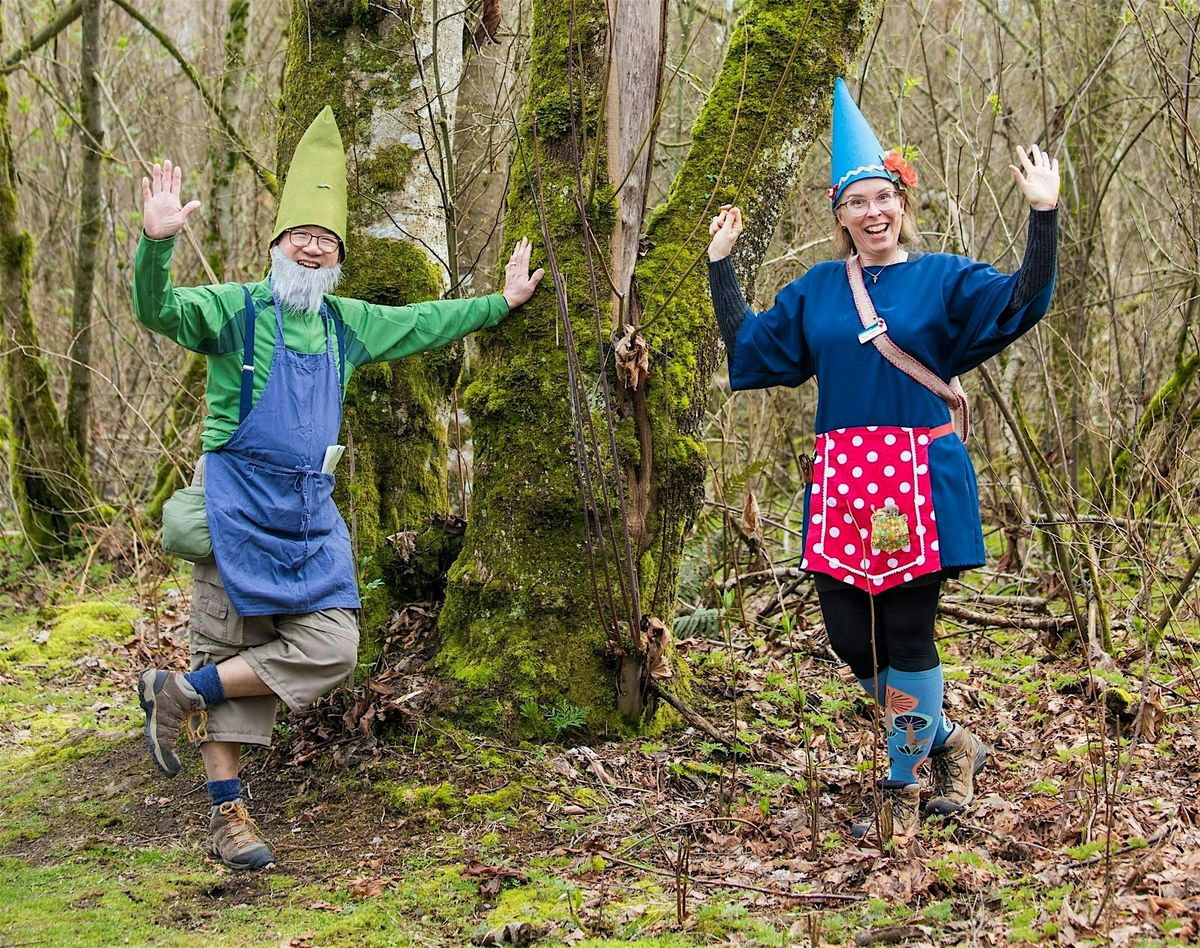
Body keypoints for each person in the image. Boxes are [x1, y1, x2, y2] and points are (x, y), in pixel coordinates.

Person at [133, 107, 543, 869]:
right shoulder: (232, 310)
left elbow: (423, 322)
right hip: (234, 504)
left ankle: (181, 690)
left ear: (338, 257)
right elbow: (157, 309)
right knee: (231, 641)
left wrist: (502, 304)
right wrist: (157, 244)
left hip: (307, 515)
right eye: (301, 236)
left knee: (333, 646)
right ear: (277, 244)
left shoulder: (345, 324)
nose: (314, 247)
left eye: (327, 240)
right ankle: (228, 817)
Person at [706, 78, 1059, 838]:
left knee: (907, 635)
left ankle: (902, 788)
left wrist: (1043, 215)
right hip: (843, 484)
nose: (874, 213)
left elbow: (1021, 299)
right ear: (840, 215)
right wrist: (721, 266)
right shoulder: (817, 291)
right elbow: (753, 345)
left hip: (916, 479)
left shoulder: (943, 279)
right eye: (858, 202)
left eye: (884, 199)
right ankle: (949, 740)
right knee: (849, 638)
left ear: (902, 204)